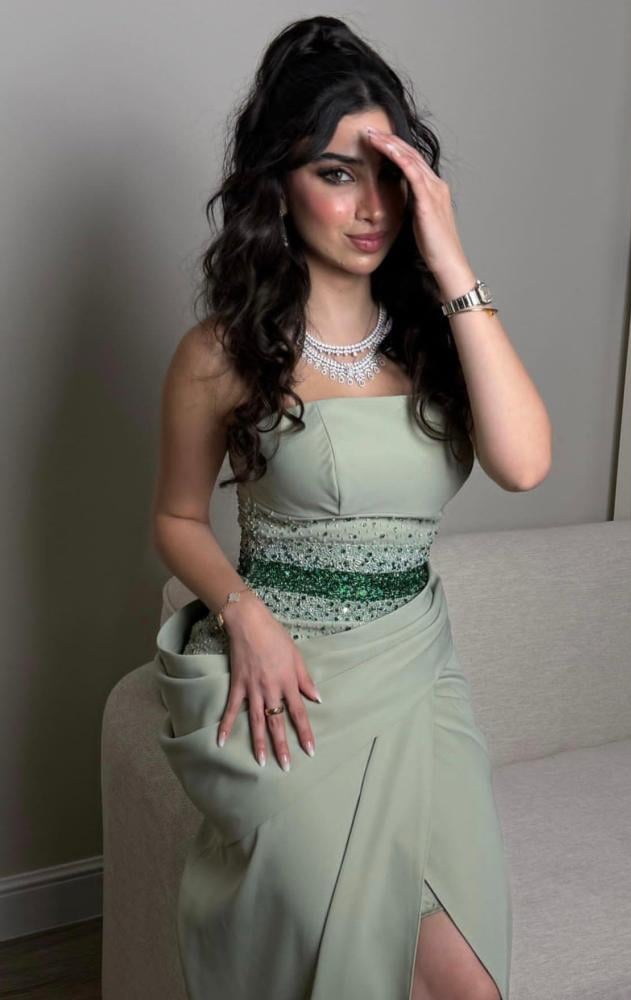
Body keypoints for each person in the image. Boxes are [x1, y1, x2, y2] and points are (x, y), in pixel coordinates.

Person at [151, 14, 551, 1000]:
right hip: (292, 691)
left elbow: (525, 464)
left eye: (389, 175)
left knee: (470, 987)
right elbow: (178, 519)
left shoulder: (436, 337)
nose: (370, 207)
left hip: (418, 674)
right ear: (278, 185)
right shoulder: (221, 354)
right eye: (337, 173)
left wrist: (452, 263)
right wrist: (245, 615)